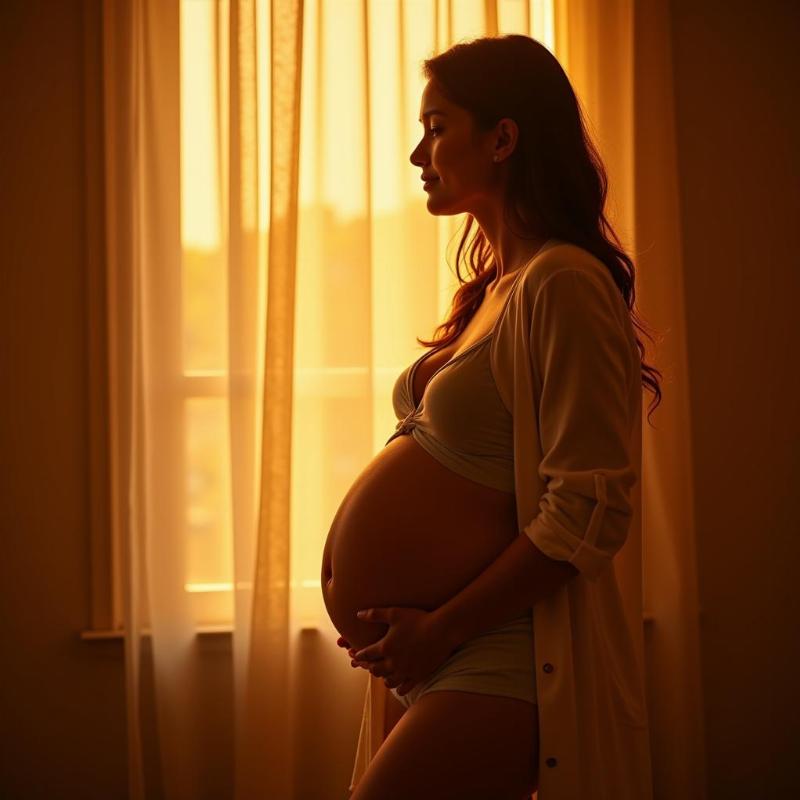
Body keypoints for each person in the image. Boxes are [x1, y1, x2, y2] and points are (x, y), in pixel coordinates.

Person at [343, 34, 662, 799]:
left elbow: (587, 509)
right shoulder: (494, 288)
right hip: (435, 653)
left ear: (503, 139)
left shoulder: (565, 284)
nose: (420, 153)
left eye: (437, 126)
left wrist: (443, 627)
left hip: (499, 653)